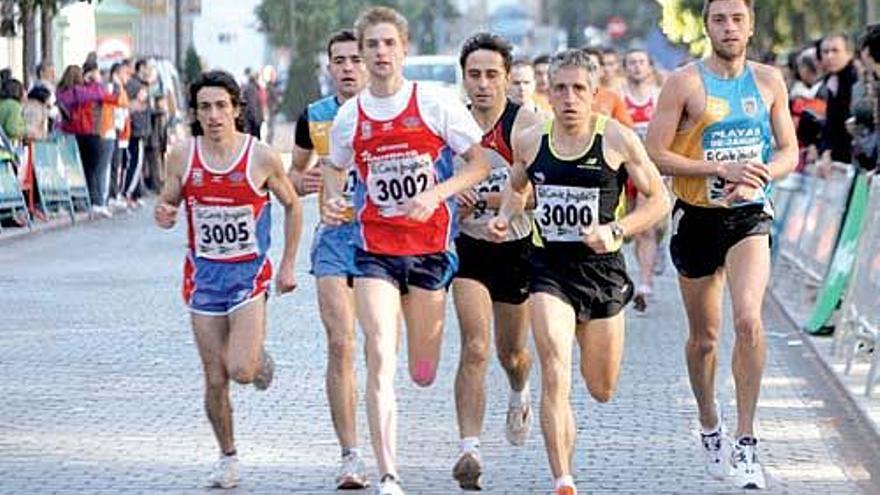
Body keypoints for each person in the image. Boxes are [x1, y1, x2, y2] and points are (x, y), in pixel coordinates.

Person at [322, 7, 490, 495]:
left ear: (403, 49)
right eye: (370, 45)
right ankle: (389, 474)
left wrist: (436, 194)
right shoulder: (350, 116)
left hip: (431, 248)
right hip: (374, 248)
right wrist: (335, 199)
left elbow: (479, 164)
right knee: (378, 353)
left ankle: (420, 372)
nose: (378, 53)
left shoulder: (434, 104)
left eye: (387, 44)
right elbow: (336, 167)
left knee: (421, 370)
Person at [488, 49, 669, 495]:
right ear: (548, 92)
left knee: (601, 387)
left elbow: (660, 200)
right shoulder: (531, 138)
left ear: (594, 94)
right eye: (560, 88)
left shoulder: (618, 140)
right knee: (554, 367)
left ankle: (565, 447)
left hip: (603, 271)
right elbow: (517, 187)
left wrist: (618, 229)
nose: (568, 98)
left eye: (578, 89)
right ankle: (563, 478)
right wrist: (505, 216)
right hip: (548, 267)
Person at [644, 0, 798, 489]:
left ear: (750, 27)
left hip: (749, 215)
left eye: (737, 19)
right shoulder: (684, 83)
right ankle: (710, 422)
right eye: (719, 19)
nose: (728, 27)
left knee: (749, 320)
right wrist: (718, 169)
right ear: (706, 27)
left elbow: (789, 150)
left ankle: (748, 441)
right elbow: (655, 154)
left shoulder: (770, 81)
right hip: (697, 218)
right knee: (705, 338)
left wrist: (761, 174)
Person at [153, 70, 302, 489]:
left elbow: (292, 206)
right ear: (195, 114)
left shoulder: (262, 157)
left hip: (248, 277)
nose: (214, 115)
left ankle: (254, 360)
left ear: (237, 110)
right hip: (203, 280)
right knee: (214, 377)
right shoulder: (181, 156)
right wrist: (164, 213)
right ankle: (227, 457)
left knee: (239, 369)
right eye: (205, 108)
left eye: (222, 106)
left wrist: (288, 263)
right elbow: (168, 202)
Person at [451, 32, 543, 491]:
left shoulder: (525, 124)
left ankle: (519, 391)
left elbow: (542, 193)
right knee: (475, 346)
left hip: (516, 248)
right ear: (463, 79)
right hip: (467, 249)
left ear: (507, 78)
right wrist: (453, 198)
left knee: (513, 353)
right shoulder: (451, 123)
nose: (483, 84)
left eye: (492, 75)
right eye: (474, 75)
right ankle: (469, 447)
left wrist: (490, 197)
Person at [288, 29, 370, 490]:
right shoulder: (314, 116)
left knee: (380, 352)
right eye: (338, 59)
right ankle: (350, 455)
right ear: (328, 65)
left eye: (355, 58)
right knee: (341, 344)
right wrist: (301, 183)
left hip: (386, 240)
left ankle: (384, 439)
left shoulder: (392, 111)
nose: (347, 67)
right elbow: (294, 174)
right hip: (335, 239)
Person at [622, 49, 665, 311]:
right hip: (623, 171)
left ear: (649, 67)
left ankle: (645, 282)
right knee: (632, 228)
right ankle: (647, 263)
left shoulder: (659, 98)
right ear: (625, 68)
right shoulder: (619, 97)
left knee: (646, 228)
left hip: (650, 169)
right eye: (632, 63)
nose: (637, 67)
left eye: (641, 62)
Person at [817, 33, 858, 167]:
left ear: (849, 53)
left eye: (835, 51)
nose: (830, 56)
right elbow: (831, 121)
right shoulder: (830, 80)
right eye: (825, 52)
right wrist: (826, 150)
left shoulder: (857, 80)